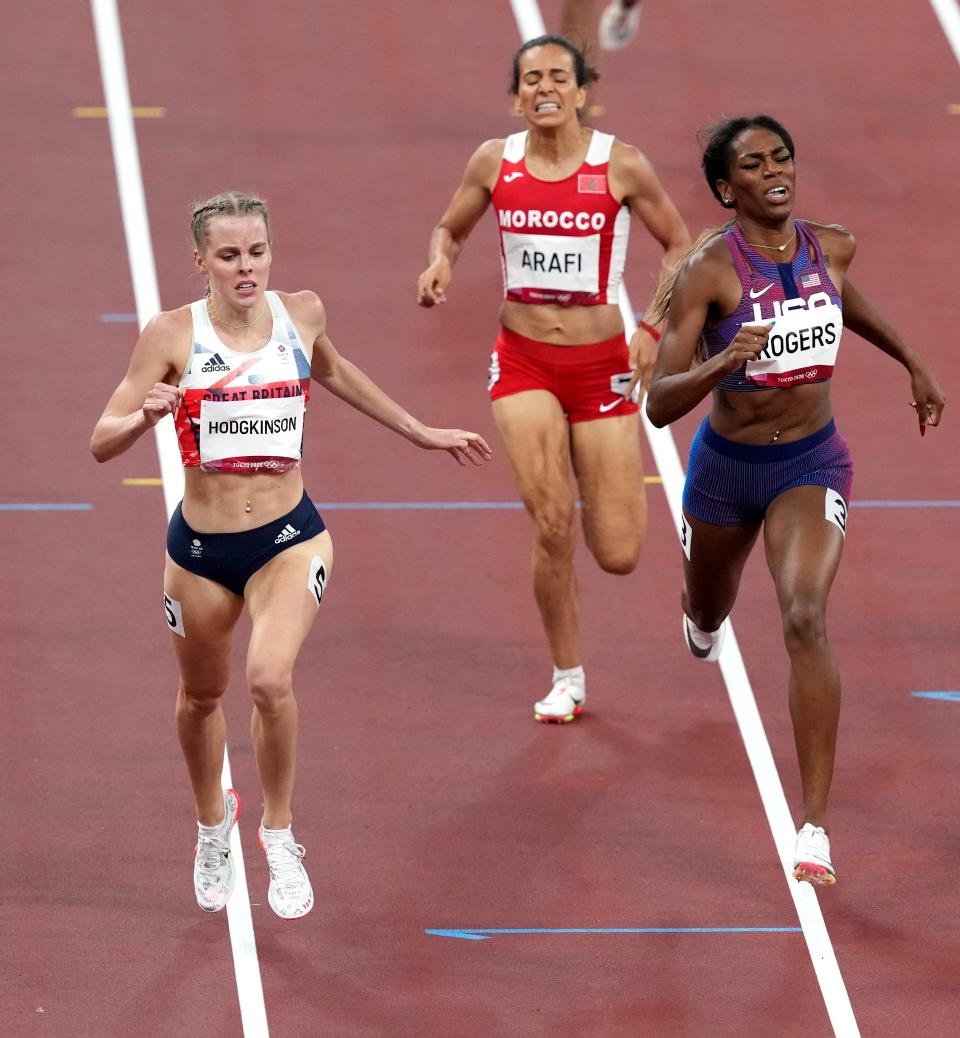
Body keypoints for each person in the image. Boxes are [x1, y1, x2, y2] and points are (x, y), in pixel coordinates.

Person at [91, 192, 492, 918]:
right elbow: (101, 439)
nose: (246, 268)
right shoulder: (170, 335)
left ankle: (278, 833)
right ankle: (213, 824)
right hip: (200, 551)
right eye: (228, 256)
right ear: (201, 262)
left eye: (256, 252)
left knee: (270, 679)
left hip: (288, 539)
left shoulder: (300, 312)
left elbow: (333, 372)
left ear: (271, 252)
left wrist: (418, 430)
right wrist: (141, 415)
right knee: (201, 699)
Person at [645, 115, 945, 884]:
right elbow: (658, 403)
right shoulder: (710, 272)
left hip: (811, 464)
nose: (775, 170)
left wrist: (912, 358)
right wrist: (723, 365)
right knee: (709, 609)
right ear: (725, 187)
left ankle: (814, 827)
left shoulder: (830, 245)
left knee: (805, 614)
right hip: (724, 469)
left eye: (782, 156)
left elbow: (846, 298)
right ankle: (700, 615)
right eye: (754, 163)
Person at [417, 36, 689, 723]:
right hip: (524, 362)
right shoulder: (494, 160)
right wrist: (441, 262)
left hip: (602, 369)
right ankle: (567, 674)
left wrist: (652, 329)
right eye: (532, 77)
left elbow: (681, 243)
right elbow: (449, 229)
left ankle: (618, 505)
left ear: (579, 91)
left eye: (558, 77)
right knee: (549, 521)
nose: (545, 87)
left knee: (620, 552)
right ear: (516, 96)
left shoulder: (620, 164)